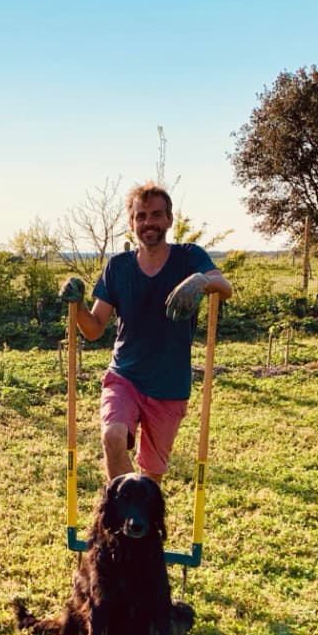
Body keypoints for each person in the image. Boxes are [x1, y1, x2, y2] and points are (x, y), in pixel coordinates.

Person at [60, 181, 233, 484]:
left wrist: (199, 281)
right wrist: (77, 306)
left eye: (155, 215)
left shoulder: (190, 257)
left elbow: (225, 287)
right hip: (125, 375)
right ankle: (122, 511)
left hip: (169, 384)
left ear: (168, 220)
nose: (148, 223)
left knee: (151, 476)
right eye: (141, 216)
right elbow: (93, 329)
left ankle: (140, 516)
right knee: (113, 436)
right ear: (131, 223)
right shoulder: (118, 267)